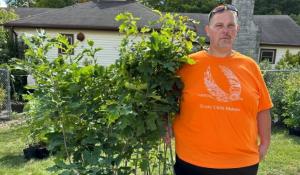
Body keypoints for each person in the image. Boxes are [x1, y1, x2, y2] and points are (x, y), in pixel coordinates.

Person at [172, 4, 273, 175]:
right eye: (219, 25)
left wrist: (264, 145)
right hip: (192, 162)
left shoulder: (250, 66)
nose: (225, 30)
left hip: (241, 165)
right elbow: (167, 103)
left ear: (237, 29)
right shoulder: (186, 65)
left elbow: (263, 109)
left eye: (230, 25)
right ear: (208, 30)